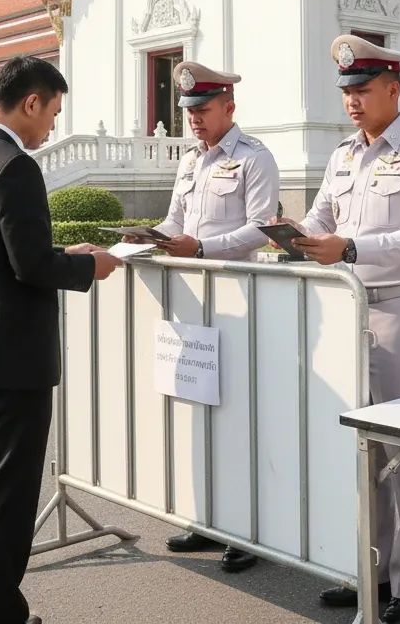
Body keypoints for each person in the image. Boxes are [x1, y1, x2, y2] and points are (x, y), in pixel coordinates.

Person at [0, 56, 121, 624]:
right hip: (13, 361)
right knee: (5, 501)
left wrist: (65, 252)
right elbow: (29, 267)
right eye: (53, 113)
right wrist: (90, 267)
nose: (52, 127)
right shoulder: (14, 167)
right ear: (31, 102)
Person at [288, 34, 400, 624]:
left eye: (363, 89)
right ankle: (373, 572)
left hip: (396, 312)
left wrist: (350, 247)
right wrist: (295, 235)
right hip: (345, 311)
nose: (352, 101)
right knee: (362, 452)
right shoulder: (342, 156)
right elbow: (319, 219)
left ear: (393, 89)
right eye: (347, 92)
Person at [156, 61, 280, 574]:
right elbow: (174, 221)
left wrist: (202, 247)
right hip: (193, 304)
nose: (194, 119)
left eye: (203, 109)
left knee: (238, 420)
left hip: (235, 301)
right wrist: (149, 239)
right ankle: (206, 519)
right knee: (199, 414)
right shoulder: (190, 162)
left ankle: (247, 531)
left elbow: (261, 228)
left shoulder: (254, 158)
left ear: (229, 107)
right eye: (189, 110)